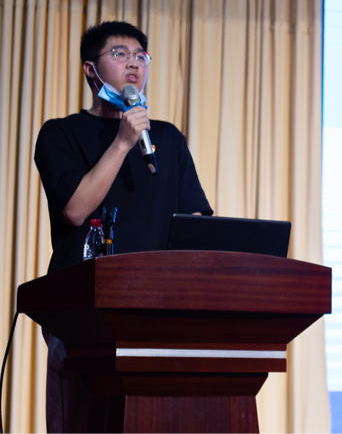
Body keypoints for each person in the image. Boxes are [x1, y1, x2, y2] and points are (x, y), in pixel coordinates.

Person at [33, 21, 213, 434]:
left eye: (140, 56)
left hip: (158, 311)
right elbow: (75, 210)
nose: (133, 63)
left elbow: (195, 225)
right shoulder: (60, 133)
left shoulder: (167, 138)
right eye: (119, 54)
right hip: (82, 313)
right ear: (90, 69)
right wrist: (122, 142)